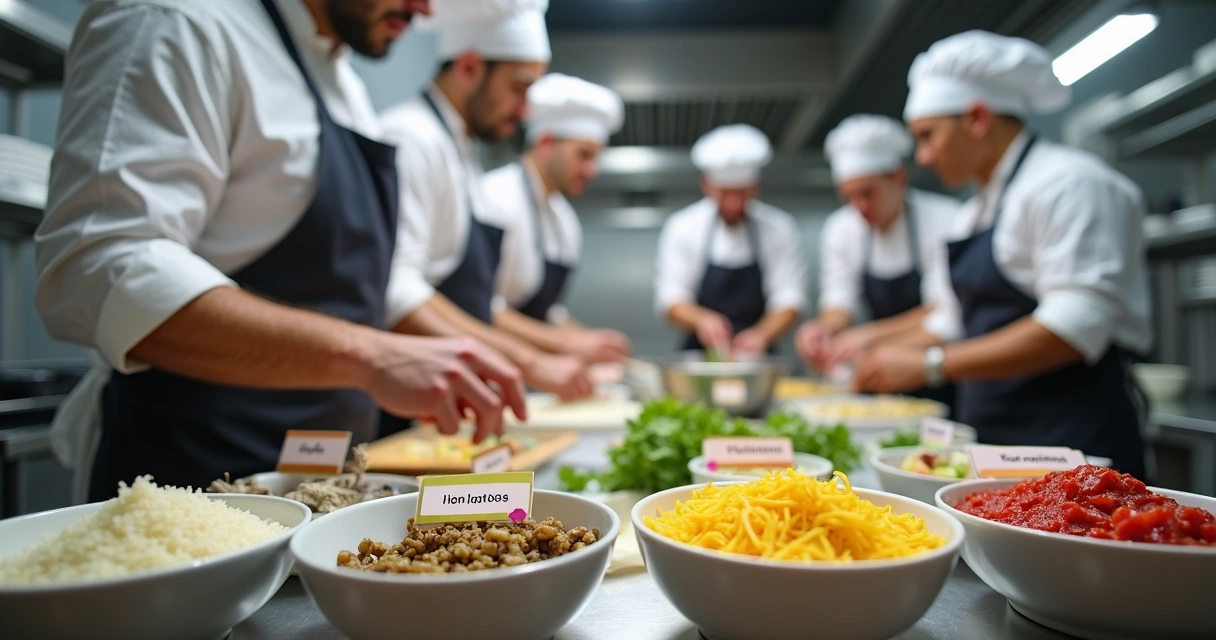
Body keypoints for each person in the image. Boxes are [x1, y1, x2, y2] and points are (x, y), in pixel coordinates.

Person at [34, 0, 526, 502]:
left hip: (325, 490)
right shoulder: (180, 21)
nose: (423, 9)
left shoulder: (344, 83)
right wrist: (368, 356)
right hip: (194, 494)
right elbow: (99, 269)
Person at [853, 31, 1151, 477]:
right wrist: (873, 348)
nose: (924, 156)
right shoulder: (971, 213)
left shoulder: (1069, 183)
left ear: (976, 118)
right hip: (993, 435)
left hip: (1071, 441)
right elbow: (953, 319)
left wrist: (929, 365)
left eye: (928, 136)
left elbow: (1074, 326)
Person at [379, 0, 593, 415]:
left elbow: (476, 301)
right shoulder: (412, 138)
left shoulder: (459, 149)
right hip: (412, 403)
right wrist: (528, 361)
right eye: (519, 87)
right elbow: (398, 289)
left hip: (451, 400)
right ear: (469, 68)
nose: (528, 110)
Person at [796, 114, 959, 409]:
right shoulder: (841, 228)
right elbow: (840, 301)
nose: (860, 207)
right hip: (881, 379)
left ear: (898, 177)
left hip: (937, 369)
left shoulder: (946, 220)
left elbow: (944, 309)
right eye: (849, 197)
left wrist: (868, 336)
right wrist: (824, 329)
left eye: (867, 193)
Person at [481, 73, 632, 365]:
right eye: (584, 155)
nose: (593, 170)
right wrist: (568, 344)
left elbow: (548, 313)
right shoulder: (494, 198)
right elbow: (481, 308)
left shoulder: (565, 220)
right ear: (547, 142)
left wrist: (594, 343)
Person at [655, 125, 809, 356]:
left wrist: (761, 334)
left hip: (759, 357)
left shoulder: (779, 227)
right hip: (699, 356)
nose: (734, 203)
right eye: (725, 193)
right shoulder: (683, 227)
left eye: (743, 192)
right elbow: (671, 297)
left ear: (757, 186)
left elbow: (789, 296)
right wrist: (702, 320)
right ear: (706, 185)